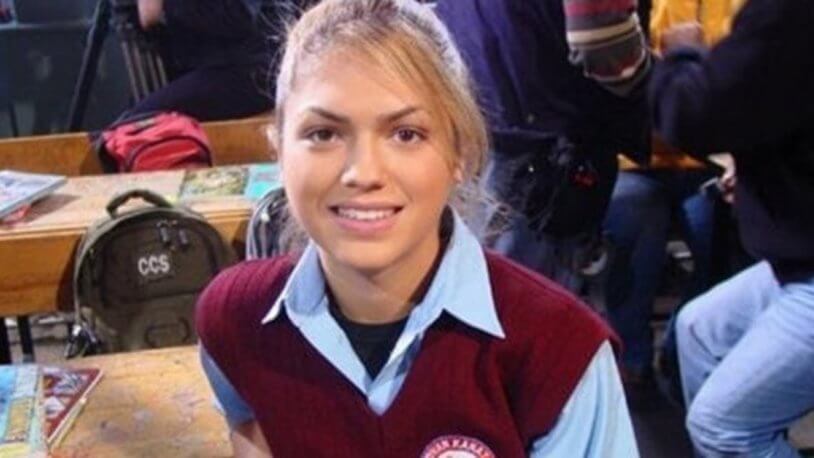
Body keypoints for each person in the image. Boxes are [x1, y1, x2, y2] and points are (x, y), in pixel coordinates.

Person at [195, 0, 638, 456]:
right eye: (324, 133)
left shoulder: (559, 353)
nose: (363, 173)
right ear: (278, 151)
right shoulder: (234, 320)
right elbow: (246, 422)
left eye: (406, 134)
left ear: (461, 153)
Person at [649, 0, 814, 455]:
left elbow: (695, 114)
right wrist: (758, 168)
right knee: (698, 330)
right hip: (796, 258)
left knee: (723, 427)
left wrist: (681, 55)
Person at [433, 0, 651, 292]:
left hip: (477, 127)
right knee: (529, 302)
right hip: (547, 158)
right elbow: (606, 51)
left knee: (480, 292)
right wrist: (671, 80)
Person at [128, 0, 280, 121]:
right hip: (205, 70)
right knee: (132, 125)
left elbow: (239, 15)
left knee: (133, 128)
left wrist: (167, 4)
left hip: (249, 70)